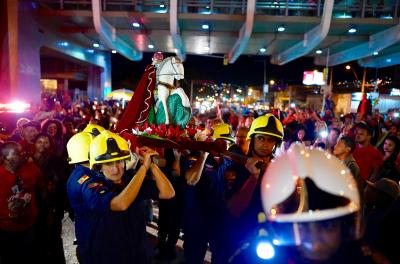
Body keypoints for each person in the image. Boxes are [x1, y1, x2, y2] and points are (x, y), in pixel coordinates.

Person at [229, 144, 387, 264]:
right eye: (302, 226)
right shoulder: (261, 257)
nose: (314, 239)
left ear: (344, 226)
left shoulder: (363, 259)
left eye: (326, 225)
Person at [76, 130, 175, 264]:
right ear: (98, 166)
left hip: (138, 254)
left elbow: (168, 192)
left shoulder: (132, 180)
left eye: (119, 162)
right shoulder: (91, 186)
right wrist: (143, 169)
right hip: (110, 257)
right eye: (109, 164)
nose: (116, 169)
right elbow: (121, 204)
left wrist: (151, 164)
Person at [225, 114, 284, 258]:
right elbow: (234, 208)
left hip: (271, 237)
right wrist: (253, 178)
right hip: (239, 237)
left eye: (270, 140)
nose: (265, 144)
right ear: (252, 140)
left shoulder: (280, 169)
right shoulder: (235, 167)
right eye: (261, 138)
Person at [183, 123, 235, 264]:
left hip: (219, 218)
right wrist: (204, 155)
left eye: (228, 142)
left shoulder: (229, 162)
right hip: (197, 217)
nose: (225, 146)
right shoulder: (196, 156)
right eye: (221, 142)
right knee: (194, 257)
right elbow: (190, 179)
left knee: (221, 257)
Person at [0, 142, 44, 264]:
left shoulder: (30, 168)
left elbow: (42, 184)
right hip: (8, 230)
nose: (22, 154)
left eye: (21, 151)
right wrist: (16, 206)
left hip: (29, 225)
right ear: (5, 158)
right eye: (16, 153)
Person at [32, 133, 67, 263]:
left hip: (52, 205)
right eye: (39, 141)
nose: (42, 145)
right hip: (33, 205)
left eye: (46, 142)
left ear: (50, 145)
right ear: (34, 144)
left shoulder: (56, 161)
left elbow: (61, 181)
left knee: (53, 236)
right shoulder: (28, 160)